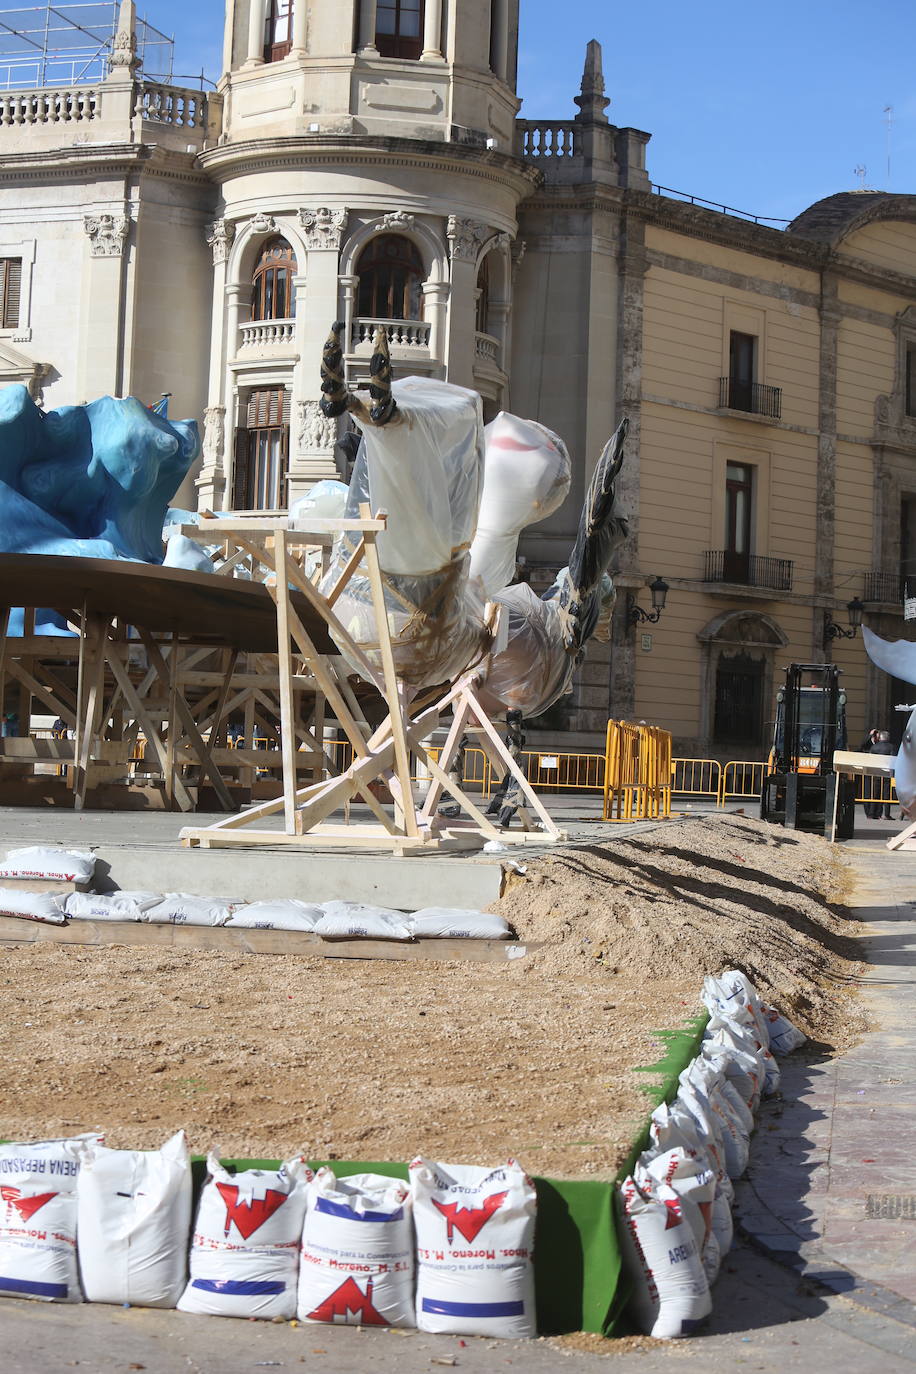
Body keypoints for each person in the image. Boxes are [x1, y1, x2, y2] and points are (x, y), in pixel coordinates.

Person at [863, 729, 895, 819]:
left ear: (880, 738)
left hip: (876, 773)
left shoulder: (874, 747)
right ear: (888, 738)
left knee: (875, 794)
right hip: (887, 773)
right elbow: (893, 760)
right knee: (887, 795)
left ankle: (872, 813)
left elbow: (871, 759)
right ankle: (886, 814)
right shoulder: (891, 747)